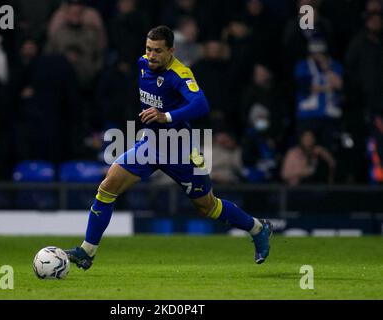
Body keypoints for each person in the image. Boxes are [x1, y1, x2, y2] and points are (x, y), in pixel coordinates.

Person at [65, 26, 272, 270]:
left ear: (171, 51)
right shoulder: (142, 64)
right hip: (150, 145)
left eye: (158, 51)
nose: (151, 55)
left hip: (181, 150)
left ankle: (258, 228)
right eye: (148, 49)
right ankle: (87, 251)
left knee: (207, 206)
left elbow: (201, 104)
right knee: (108, 186)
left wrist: (167, 116)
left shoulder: (180, 74)